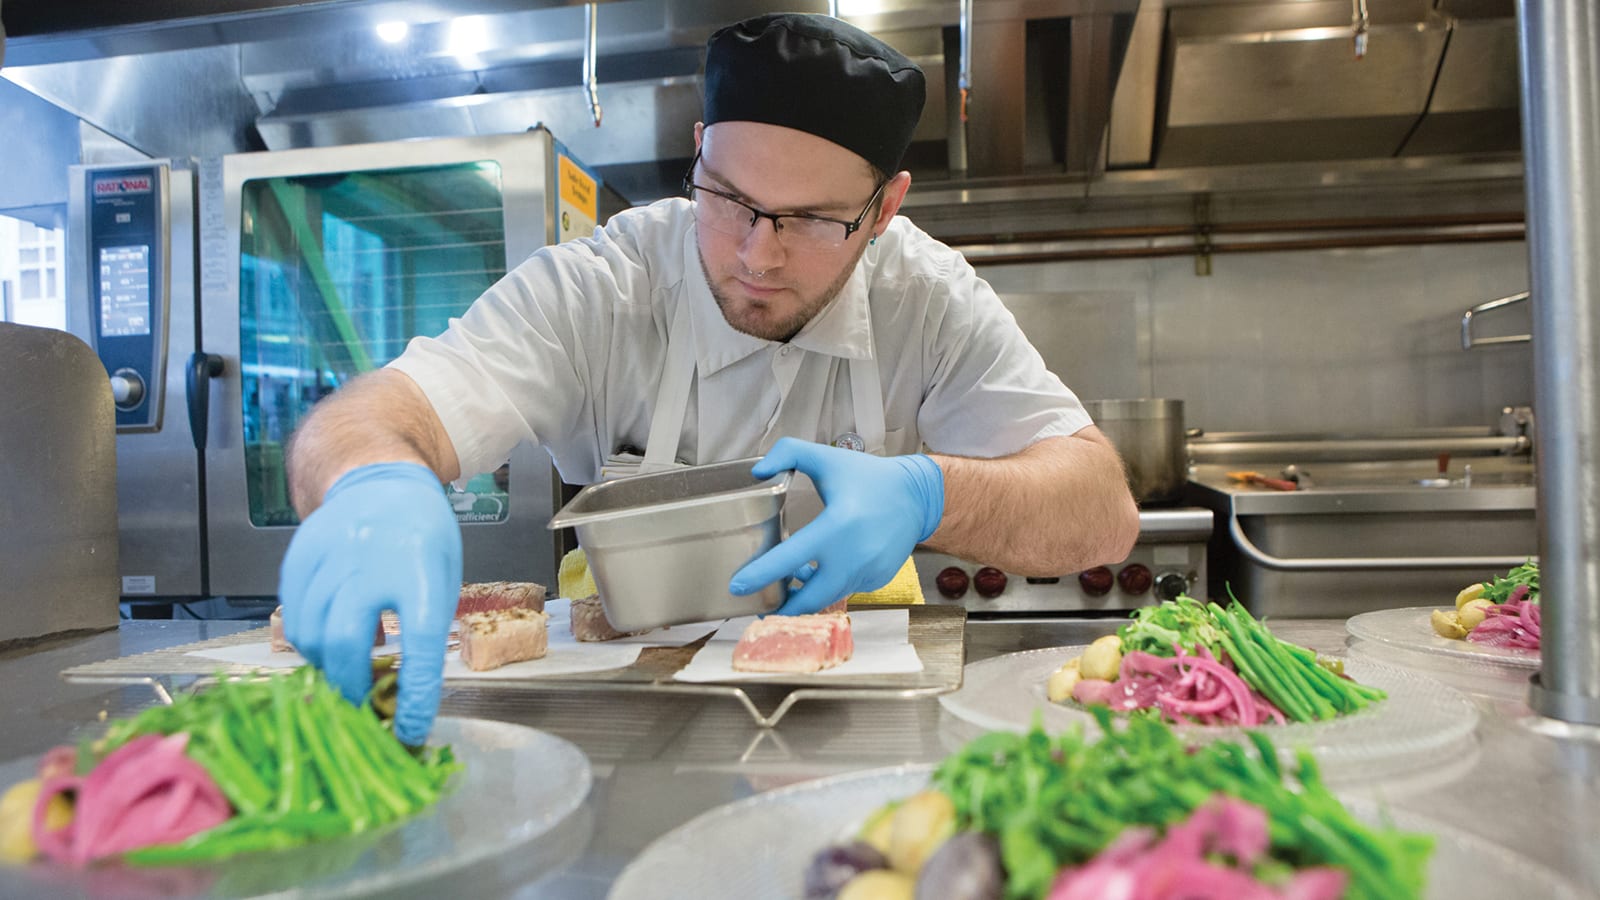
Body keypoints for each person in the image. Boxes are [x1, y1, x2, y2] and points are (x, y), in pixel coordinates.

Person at [280, 12, 1140, 745]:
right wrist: (375, 481)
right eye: (727, 198)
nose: (756, 255)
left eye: (809, 220)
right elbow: (374, 414)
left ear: (885, 208)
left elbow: (1103, 512)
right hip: (623, 707)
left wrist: (930, 493)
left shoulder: (930, 299)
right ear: (698, 152)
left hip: (863, 707)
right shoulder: (604, 286)